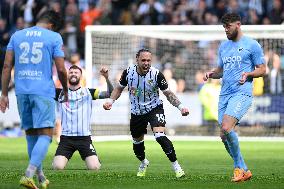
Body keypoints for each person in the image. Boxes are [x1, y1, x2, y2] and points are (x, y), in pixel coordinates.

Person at [0, 11, 68, 189]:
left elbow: (7, 66)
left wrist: (4, 94)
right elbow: (61, 69)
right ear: (52, 26)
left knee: (31, 135)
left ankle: (40, 177)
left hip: (22, 91)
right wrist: (66, 89)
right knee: (46, 135)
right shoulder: (54, 37)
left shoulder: (17, 35)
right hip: (43, 91)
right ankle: (27, 175)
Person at [103, 48, 189, 178]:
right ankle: (143, 162)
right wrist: (110, 101)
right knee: (137, 144)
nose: (146, 63)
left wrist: (181, 107)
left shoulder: (156, 74)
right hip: (137, 112)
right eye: (143, 60)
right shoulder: (128, 73)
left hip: (154, 108)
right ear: (137, 59)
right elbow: (118, 89)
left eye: (149, 60)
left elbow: (168, 94)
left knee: (160, 136)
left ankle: (177, 166)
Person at [203, 13, 266, 182]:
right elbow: (221, 70)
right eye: (224, 27)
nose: (226, 30)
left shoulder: (252, 45)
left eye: (228, 26)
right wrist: (211, 73)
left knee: (226, 126)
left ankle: (238, 168)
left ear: (238, 24)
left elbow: (262, 69)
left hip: (242, 92)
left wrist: (249, 74)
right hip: (225, 94)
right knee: (224, 136)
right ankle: (244, 169)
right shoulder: (223, 47)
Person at [52, 65, 113, 170]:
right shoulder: (59, 93)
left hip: (84, 138)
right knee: (57, 167)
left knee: (94, 168)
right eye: (71, 72)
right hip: (66, 139)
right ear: (67, 75)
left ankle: (95, 160)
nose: (73, 74)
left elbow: (110, 93)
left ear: (81, 76)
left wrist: (107, 78)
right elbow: (42, 92)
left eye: (76, 72)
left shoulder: (89, 92)